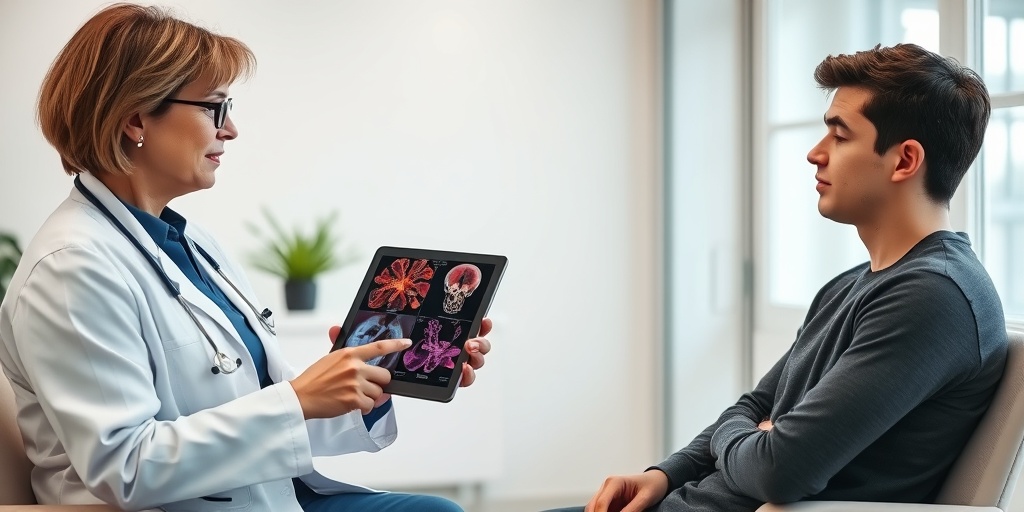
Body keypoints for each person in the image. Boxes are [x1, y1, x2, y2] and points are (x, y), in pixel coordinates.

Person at [0, 4, 492, 512]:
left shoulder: (195, 246)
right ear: (134, 118)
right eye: (215, 107)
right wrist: (297, 398)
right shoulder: (69, 267)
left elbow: (260, 408)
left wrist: (373, 376)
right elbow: (126, 467)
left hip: (274, 493)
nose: (230, 129)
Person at [549, 43, 1009, 512]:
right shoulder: (852, 284)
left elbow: (779, 470)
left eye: (840, 136)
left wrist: (759, 432)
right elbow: (752, 407)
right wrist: (667, 473)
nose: (815, 154)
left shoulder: (934, 296)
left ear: (905, 160)